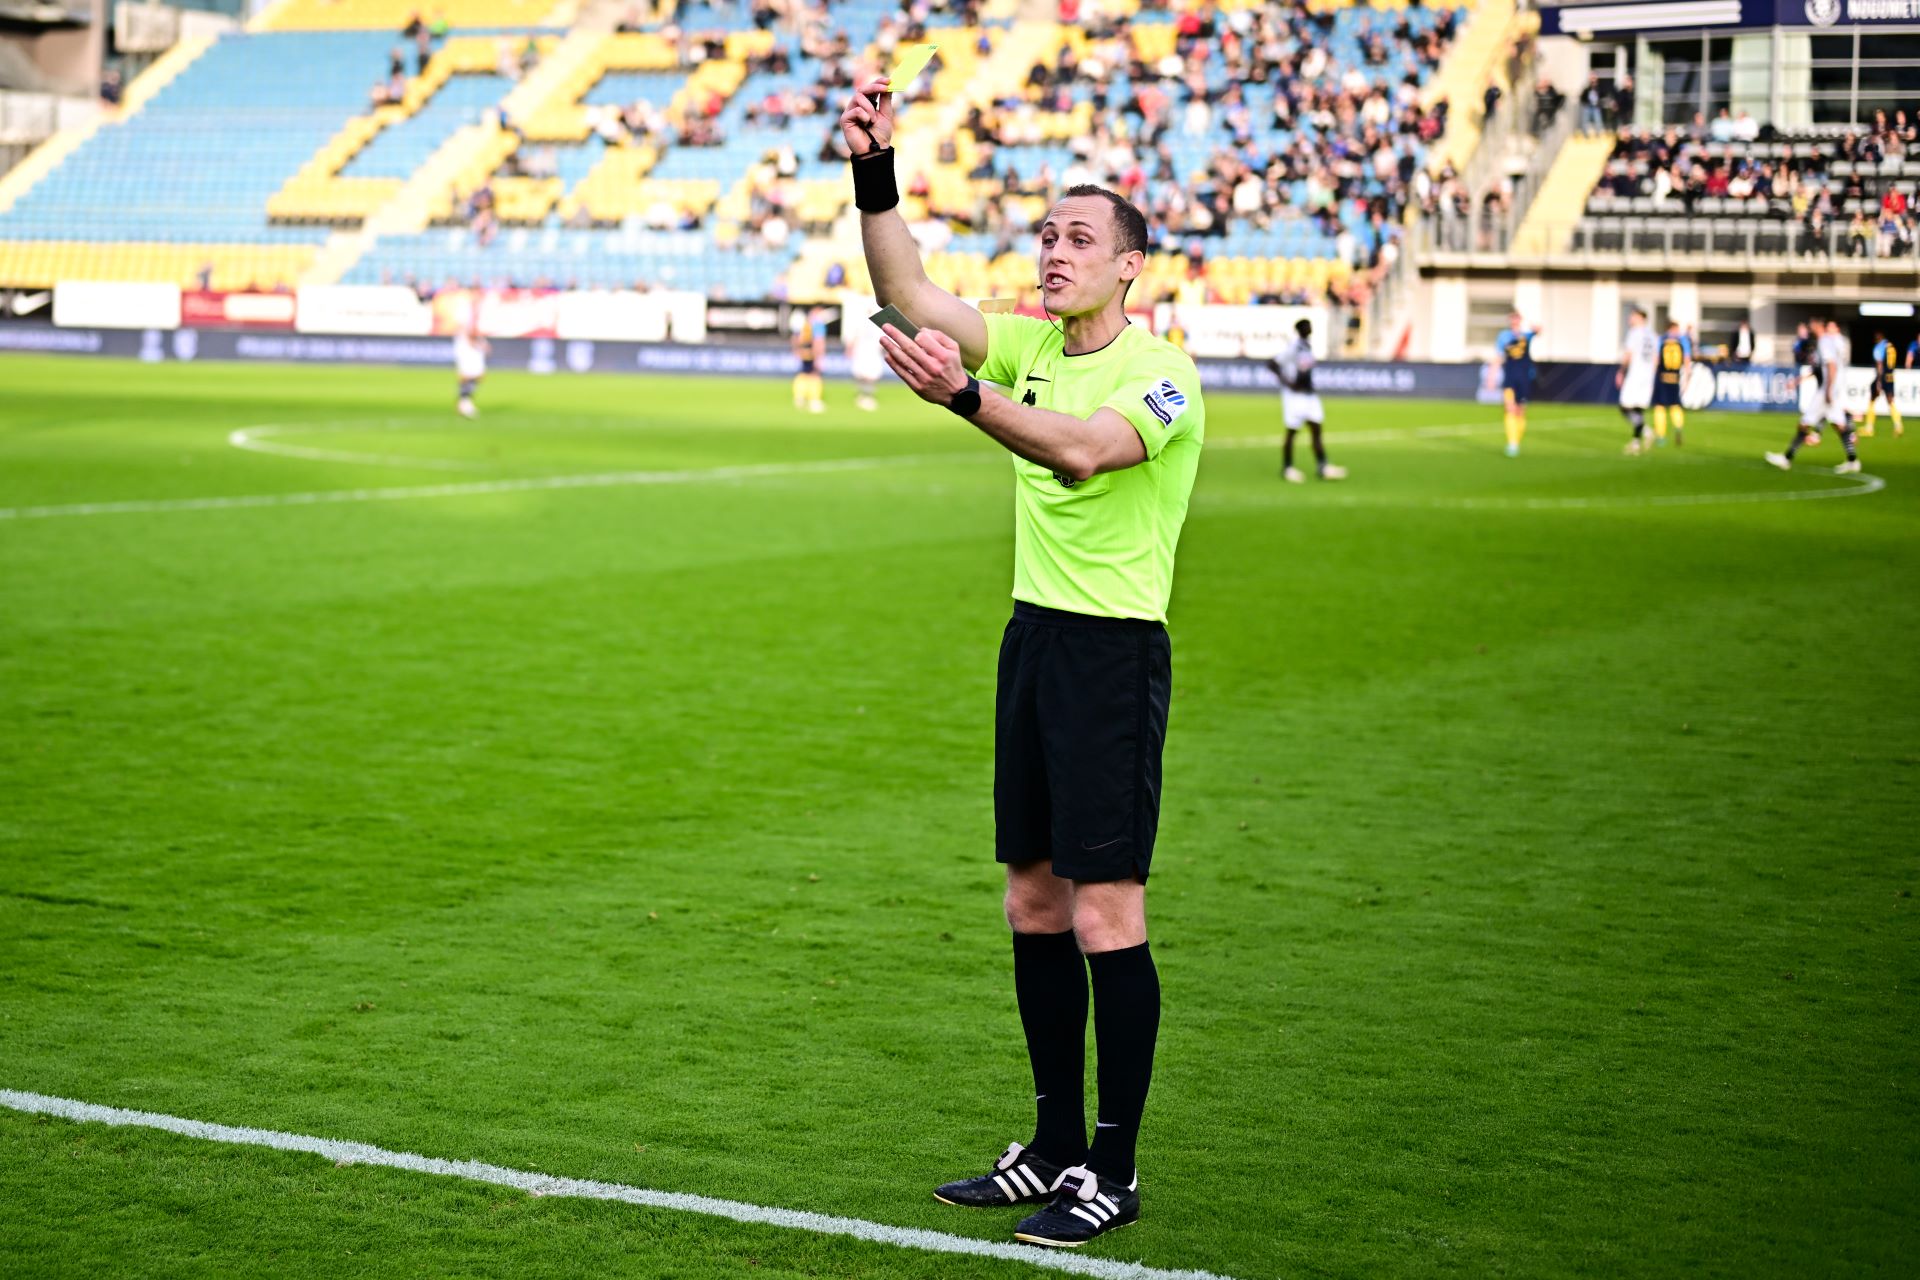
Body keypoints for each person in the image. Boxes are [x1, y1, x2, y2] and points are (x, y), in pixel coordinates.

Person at [840, 73, 1203, 1249]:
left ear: (1130, 264)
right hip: (1033, 639)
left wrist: (965, 400)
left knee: (1107, 911)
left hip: (1112, 654)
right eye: (1046, 234)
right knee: (1033, 898)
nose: (1054, 252)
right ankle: (1050, 1144)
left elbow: (1083, 452)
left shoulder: (1161, 373)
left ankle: (1114, 1167)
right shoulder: (1031, 341)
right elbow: (906, 292)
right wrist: (874, 170)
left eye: (1079, 238)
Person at [1767, 318, 1861, 474]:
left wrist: (1828, 390)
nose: (1810, 327)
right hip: (1831, 389)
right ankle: (1852, 460)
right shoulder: (1825, 342)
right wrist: (1797, 381)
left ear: (1818, 325)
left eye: (1812, 324)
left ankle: (1786, 458)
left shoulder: (1825, 342)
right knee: (1838, 424)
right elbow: (1818, 369)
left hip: (1827, 390)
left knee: (1805, 423)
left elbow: (1832, 366)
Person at [1268, 317, 1345, 482]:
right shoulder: (1294, 347)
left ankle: (1323, 466)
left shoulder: (1307, 346)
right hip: (1295, 397)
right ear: (1300, 329)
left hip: (1310, 396)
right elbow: (1272, 364)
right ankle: (1287, 468)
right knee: (1292, 431)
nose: (1310, 328)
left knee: (1316, 429)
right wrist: (1288, 383)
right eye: (1307, 326)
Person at [1495, 310, 1538, 457]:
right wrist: (1492, 374)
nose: (1514, 321)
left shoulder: (1526, 335)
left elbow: (1538, 330)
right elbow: (1498, 356)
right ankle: (1512, 443)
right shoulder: (1504, 336)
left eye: (1517, 318)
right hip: (1510, 378)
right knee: (1509, 408)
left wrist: (1530, 322)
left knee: (1520, 411)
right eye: (1512, 318)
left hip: (1524, 377)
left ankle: (1516, 441)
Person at [1617, 306, 1658, 454]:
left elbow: (1629, 354)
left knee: (1625, 407)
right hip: (1648, 376)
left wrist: (1621, 371)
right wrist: (1652, 375)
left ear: (1640, 318)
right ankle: (1637, 441)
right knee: (1638, 409)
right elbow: (1656, 358)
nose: (1630, 319)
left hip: (1635, 374)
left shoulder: (1634, 333)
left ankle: (1644, 433)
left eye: (1633, 316)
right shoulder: (1653, 335)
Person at [1650, 319, 1691, 447]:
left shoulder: (1661, 340)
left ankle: (1661, 435)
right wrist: (1688, 377)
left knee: (1660, 406)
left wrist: (1652, 376)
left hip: (1662, 376)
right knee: (1675, 404)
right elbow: (1687, 360)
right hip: (1675, 377)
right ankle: (1678, 427)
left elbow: (1656, 359)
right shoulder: (1683, 341)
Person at [845, 303, 885, 412]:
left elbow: (880, 339)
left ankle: (868, 396)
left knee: (871, 375)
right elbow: (854, 336)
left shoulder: (877, 325)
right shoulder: (861, 324)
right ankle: (863, 396)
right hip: (862, 351)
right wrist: (850, 349)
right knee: (862, 375)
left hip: (872, 352)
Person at [1864, 330, 1904, 438]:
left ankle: (1869, 428)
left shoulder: (1879, 347)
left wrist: (1878, 381)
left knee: (1872, 399)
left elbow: (1880, 364)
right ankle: (1898, 425)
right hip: (1890, 376)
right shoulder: (1891, 347)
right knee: (1890, 401)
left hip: (1882, 377)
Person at [790, 307, 826, 413]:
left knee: (803, 374)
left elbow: (795, 338)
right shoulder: (817, 324)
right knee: (815, 375)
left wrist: (796, 350)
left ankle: (799, 397)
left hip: (804, 352)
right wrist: (818, 356)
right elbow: (818, 341)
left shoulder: (804, 323)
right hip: (812, 353)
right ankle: (814, 400)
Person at [453, 315, 487, 419]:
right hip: (468, 359)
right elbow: (469, 338)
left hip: (475, 360)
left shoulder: (477, 337)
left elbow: (486, 348)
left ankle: (463, 403)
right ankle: (465, 404)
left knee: (475, 379)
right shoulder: (463, 338)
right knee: (466, 379)